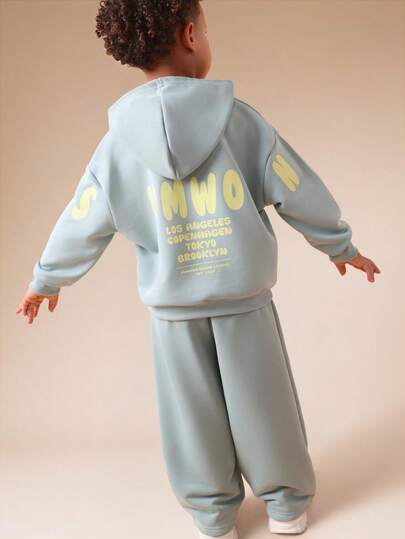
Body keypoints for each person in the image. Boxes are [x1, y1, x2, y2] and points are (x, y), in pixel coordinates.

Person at [16, 1, 381, 537]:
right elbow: (295, 185)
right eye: (205, 29)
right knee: (266, 405)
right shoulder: (241, 122)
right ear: (191, 35)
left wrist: (48, 278)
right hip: (244, 302)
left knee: (191, 419)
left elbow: (83, 217)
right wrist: (339, 245)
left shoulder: (116, 146)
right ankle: (285, 506)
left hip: (172, 313)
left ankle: (213, 517)